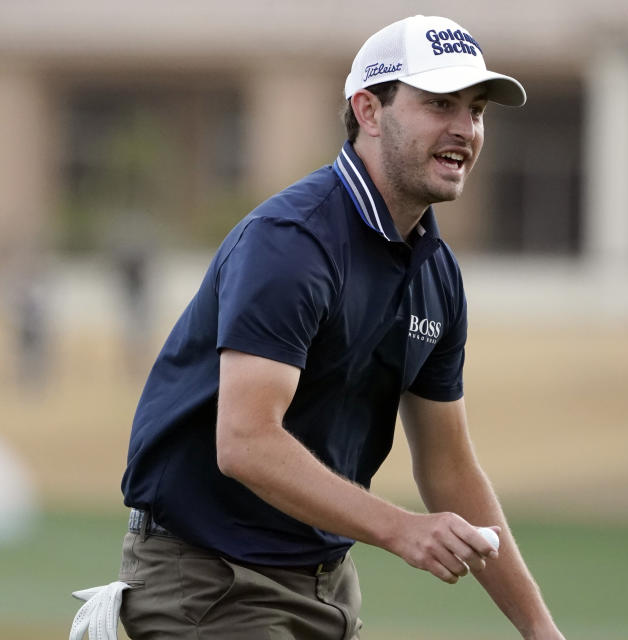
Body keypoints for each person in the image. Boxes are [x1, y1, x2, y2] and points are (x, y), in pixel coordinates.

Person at [116, 15, 565, 640]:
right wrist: (401, 528)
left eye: (477, 109)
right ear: (369, 110)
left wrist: (542, 631)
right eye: (440, 104)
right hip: (210, 585)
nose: (465, 129)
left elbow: (448, 469)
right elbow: (245, 442)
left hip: (325, 585)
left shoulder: (435, 270)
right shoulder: (292, 244)